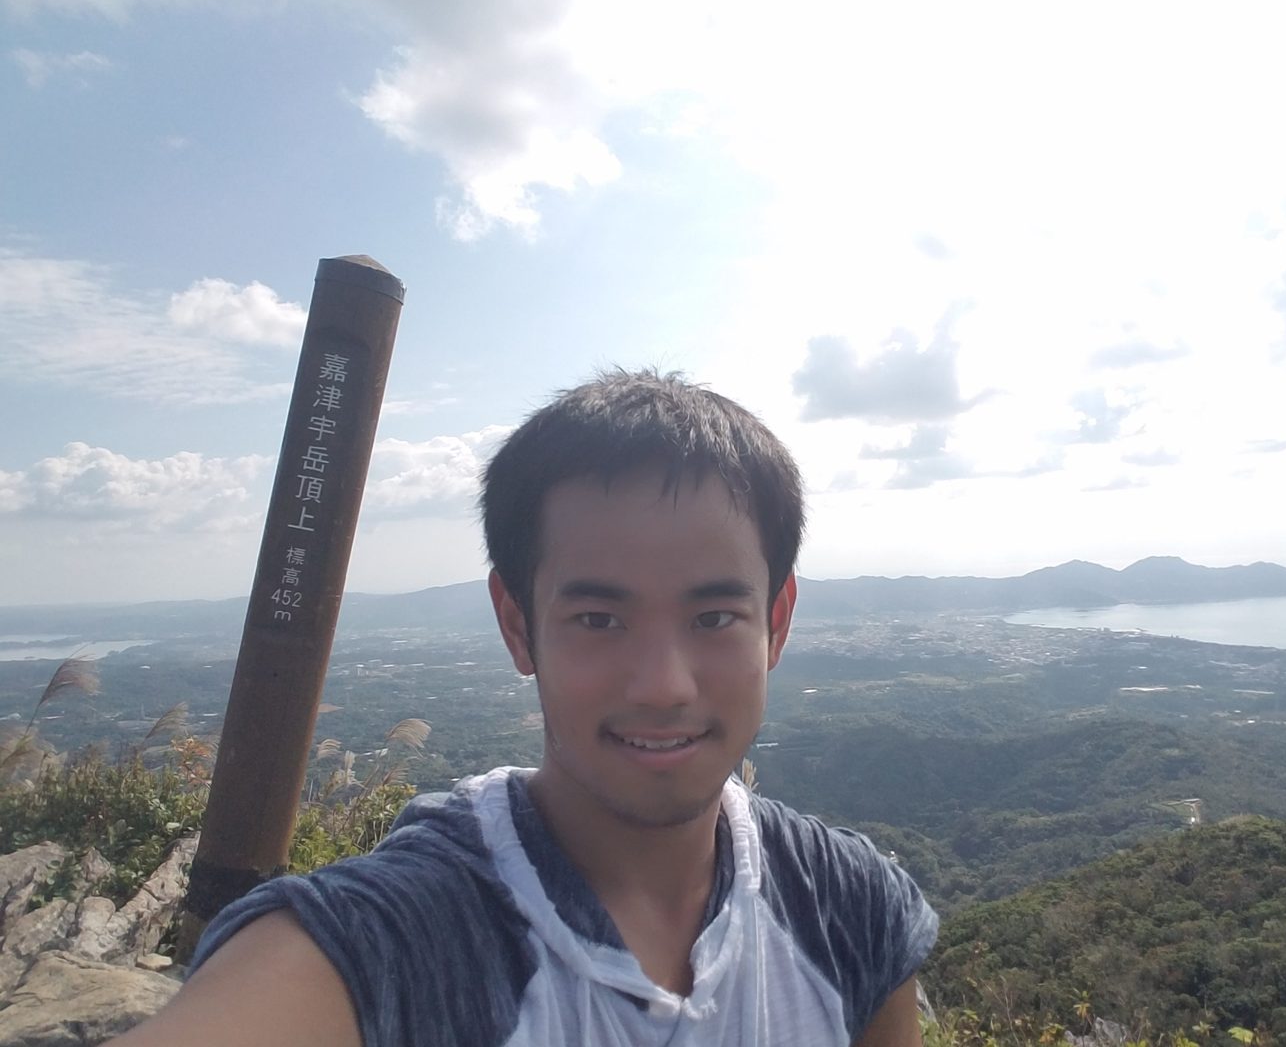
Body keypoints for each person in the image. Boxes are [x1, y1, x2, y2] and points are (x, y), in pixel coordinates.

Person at [115, 370, 937, 1046]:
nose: (664, 685)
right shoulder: (396, 947)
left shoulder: (850, 908)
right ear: (518, 625)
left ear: (776, 623)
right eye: (599, 619)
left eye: (715, 617)